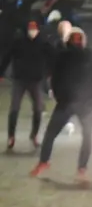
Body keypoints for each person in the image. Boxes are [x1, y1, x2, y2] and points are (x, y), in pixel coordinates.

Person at [30, 28, 92, 185]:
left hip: (82, 103)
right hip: (67, 102)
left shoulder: (89, 56)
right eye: (75, 38)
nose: (77, 41)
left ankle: (81, 169)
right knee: (51, 134)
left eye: (79, 38)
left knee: (86, 137)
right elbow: (54, 76)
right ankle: (45, 162)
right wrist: (57, 93)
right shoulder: (64, 56)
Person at [1, 19, 52, 151]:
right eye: (30, 27)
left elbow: (52, 57)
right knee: (14, 109)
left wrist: (50, 71)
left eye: (34, 27)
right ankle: (11, 136)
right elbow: (7, 56)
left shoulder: (43, 42)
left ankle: (34, 135)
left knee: (38, 109)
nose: (32, 30)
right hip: (20, 79)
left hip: (35, 80)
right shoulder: (18, 42)